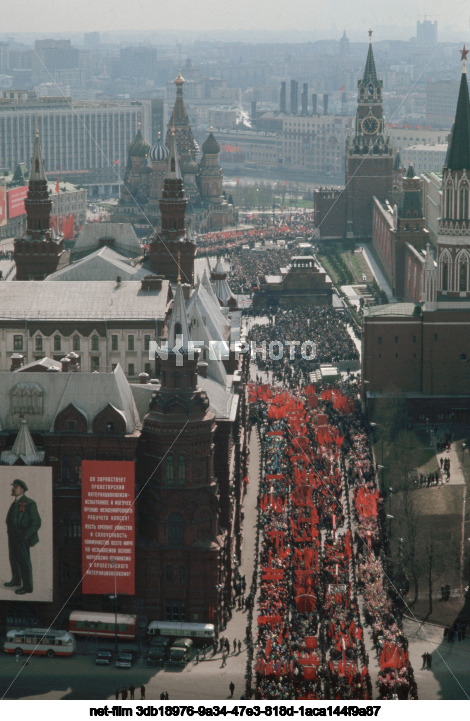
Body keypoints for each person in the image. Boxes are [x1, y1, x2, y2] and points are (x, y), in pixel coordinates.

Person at [4, 479, 41, 594]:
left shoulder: (30, 503)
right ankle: (16, 580)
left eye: (16, 487)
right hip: (13, 537)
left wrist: (26, 536)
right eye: (13, 486)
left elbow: (36, 522)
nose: (13, 488)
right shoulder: (14, 503)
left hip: (23, 537)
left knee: (24, 562)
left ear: (22, 489)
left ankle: (28, 587)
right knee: (13, 559)